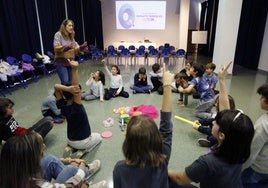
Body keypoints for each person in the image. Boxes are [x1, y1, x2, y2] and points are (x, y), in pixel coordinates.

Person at [168, 62, 255, 188]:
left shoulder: (208, 162)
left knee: (171, 181)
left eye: (216, 122)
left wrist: (160, 169)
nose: (213, 121)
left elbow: (180, 178)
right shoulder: (240, 152)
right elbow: (225, 112)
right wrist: (222, 80)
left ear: (221, 135)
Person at [113, 63, 174, 188]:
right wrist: (167, 86)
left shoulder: (120, 168)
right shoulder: (162, 160)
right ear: (156, 138)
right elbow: (166, 128)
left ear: (127, 140)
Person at [0, 131, 107, 188]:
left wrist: (67, 160)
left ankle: (83, 178)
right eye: (41, 147)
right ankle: (85, 183)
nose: (44, 147)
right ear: (30, 160)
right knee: (71, 170)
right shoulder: (36, 184)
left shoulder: (11, 171)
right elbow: (69, 186)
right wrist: (82, 168)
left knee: (50, 160)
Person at [54, 60, 102, 159]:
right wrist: (74, 69)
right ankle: (84, 150)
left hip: (70, 139)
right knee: (99, 137)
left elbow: (56, 87)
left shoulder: (62, 104)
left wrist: (67, 89)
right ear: (76, 94)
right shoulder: (77, 106)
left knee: (80, 140)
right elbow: (75, 87)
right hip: (83, 141)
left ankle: (71, 147)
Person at [241, 83, 268, 187]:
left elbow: (251, 152)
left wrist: (239, 169)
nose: (260, 99)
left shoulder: (263, 125)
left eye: (262, 97)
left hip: (258, 170)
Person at [54, 19, 88, 85]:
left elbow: (75, 48)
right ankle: (63, 94)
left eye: (72, 26)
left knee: (71, 82)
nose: (71, 27)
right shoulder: (58, 34)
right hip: (61, 62)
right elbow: (57, 48)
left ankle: (68, 95)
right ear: (64, 26)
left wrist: (81, 47)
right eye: (69, 25)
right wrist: (68, 47)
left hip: (70, 62)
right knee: (65, 82)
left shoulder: (71, 36)